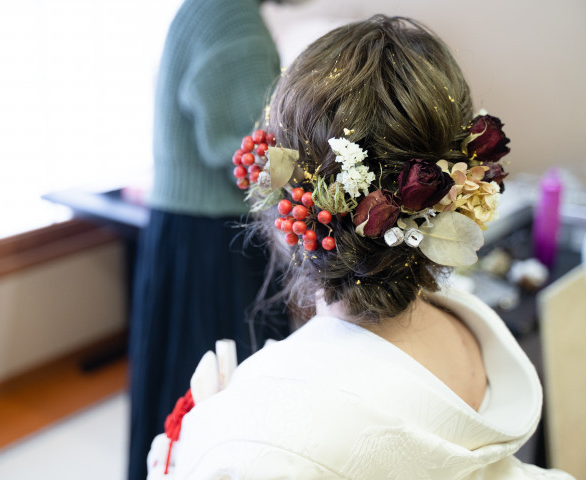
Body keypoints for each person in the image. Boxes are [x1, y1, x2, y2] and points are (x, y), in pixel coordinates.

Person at [144, 15, 576, 479]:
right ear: (460, 191)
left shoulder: (252, 426)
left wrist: (207, 445)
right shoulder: (474, 333)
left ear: (284, 211)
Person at [127, 1, 293, 479]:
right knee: (221, 396)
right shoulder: (229, 15)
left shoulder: (212, 9)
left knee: (182, 392)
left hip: (189, 229)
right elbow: (248, 153)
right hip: (212, 239)